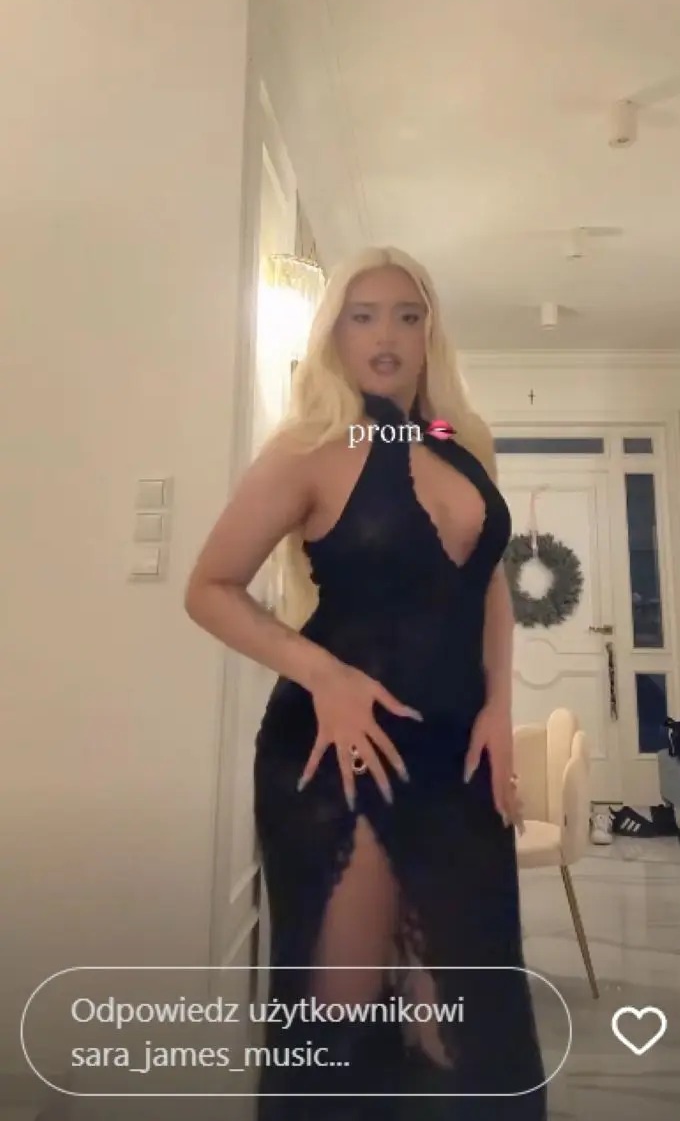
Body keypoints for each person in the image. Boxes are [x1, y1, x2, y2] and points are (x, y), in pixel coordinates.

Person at [185, 245, 547, 1117]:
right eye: (364, 314)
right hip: (347, 748)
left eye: (407, 315)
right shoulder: (309, 447)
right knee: (343, 1024)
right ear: (335, 334)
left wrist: (500, 707)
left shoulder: (458, 440)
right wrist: (328, 677)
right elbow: (208, 588)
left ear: (430, 334)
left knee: (465, 1018)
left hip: (456, 751)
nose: (387, 334)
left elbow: (488, 584)